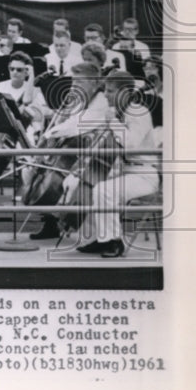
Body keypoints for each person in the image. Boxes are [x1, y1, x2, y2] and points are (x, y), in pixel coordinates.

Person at [68, 70, 158, 257]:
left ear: (123, 92)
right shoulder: (117, 113)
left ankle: (115, 241)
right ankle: (98, 238)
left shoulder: (138, 112)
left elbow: (131, 145)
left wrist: (113, 122)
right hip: (124, 172)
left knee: (103, 190)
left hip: (144, 175)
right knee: (84, 184)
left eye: (110, 91)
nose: (105, 95)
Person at [29, 62, 109, 240]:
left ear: (95, 82)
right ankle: (51, 223)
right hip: (76, 150)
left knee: (61, 179)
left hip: (93, 156)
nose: (75, 86)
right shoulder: (81, 99)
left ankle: (63, 224)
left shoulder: (101, 101)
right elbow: (68, 123)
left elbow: (78, 126)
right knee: (46, 172)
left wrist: (49, 134)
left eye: (80, 82)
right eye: (73, 82)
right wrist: (57, 124)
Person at [0, 51, 50, 141]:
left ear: (26, 72)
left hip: (26, 132)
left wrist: (31, 77)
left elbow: (28, 102)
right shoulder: (1, 86)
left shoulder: (35, 90)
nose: (14, 72)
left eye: (19, 70)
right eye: (12, 69)